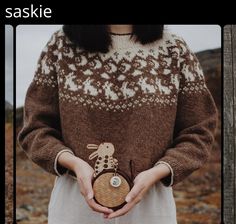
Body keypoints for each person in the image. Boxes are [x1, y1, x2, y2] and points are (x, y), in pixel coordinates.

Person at [18, 25, 218, 224]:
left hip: (151, 208)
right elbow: (36, 128)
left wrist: (159, 171)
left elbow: (198, 131)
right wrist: (74, 164)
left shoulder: (174, 49)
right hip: (75, 206)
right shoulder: (61, 46)